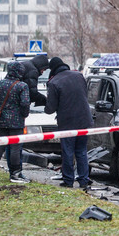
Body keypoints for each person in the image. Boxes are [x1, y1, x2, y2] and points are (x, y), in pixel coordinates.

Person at [44, 57, 93, 188]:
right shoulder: (79, 75)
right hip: (84, 120)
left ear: (52, 69)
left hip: (67, 123)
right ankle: (83, 180)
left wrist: (44, 104)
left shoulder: (54, 82)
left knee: (68, 151)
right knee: (82, 151)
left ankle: (68, 180)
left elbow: (50, 108)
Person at [0, 61, 30, 183]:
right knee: (15, 146)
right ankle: (15, 174)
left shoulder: (1, 83)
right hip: (17, 121)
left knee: (1, 144)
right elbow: (25, 103)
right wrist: (24, 114)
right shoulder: (22, 86)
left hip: (3, 120)